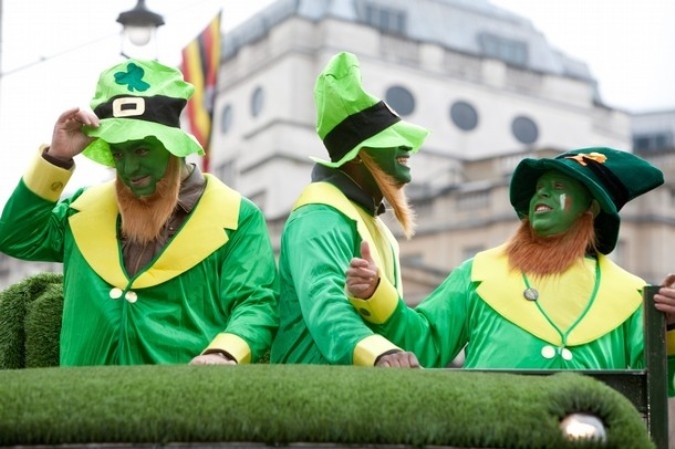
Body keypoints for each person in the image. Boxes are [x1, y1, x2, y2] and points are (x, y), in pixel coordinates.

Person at [0, 59, 279, 366]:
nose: (130, 168)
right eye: (118, 153)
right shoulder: (82, 209)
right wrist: (57, 158)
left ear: (173, 145)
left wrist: (224, 352)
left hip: (183, 401)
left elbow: (256, 302)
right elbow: (16, 237)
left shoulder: (238, 216)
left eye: (142, 150)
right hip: (81, 403)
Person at [346, 147, 675, 394]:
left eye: (558, 186)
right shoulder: (478, 273)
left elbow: (662, 383)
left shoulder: (629, 294)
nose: (541, 193)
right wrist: (376, 292)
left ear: (591, 207)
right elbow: (425, 342)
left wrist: (671, 326)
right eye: (538, 188)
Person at [269, 51, 428, 367]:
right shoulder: (318, 216)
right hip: (310, 401)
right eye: (391, 138)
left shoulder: (368, 221)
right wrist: (379, 352)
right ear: (359, 155)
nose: (407, 147)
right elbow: (325, 303)